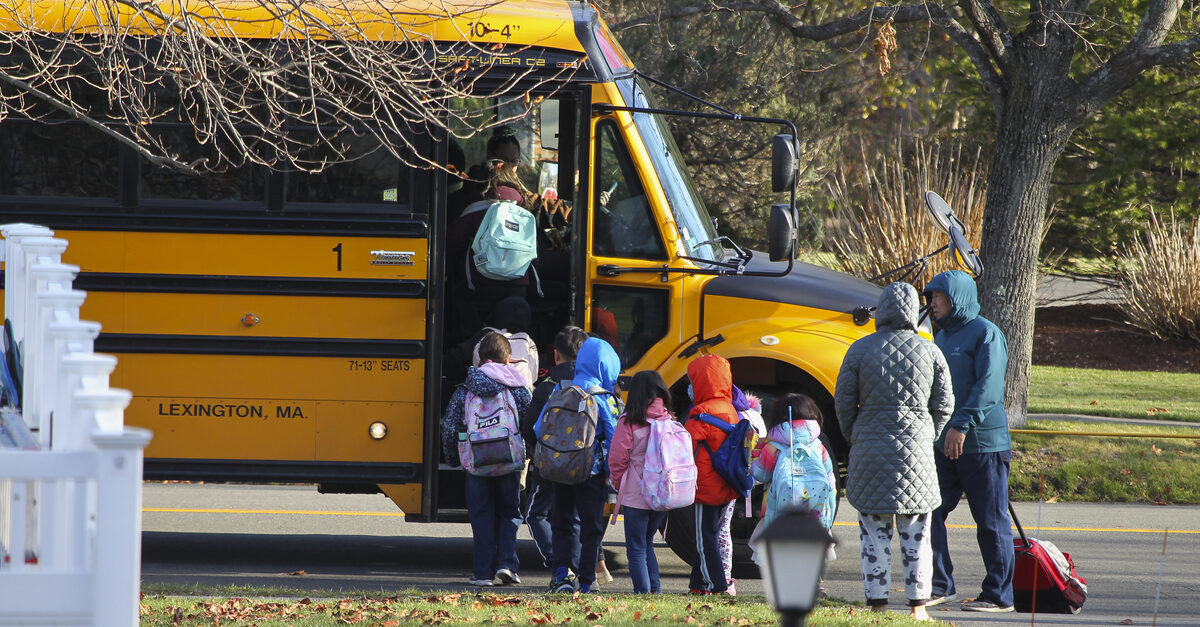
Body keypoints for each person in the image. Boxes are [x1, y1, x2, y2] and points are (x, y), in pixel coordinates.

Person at [835, 281, 954, 621]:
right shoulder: (930, 351)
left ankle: (878, 605)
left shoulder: (859, 350)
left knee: (873, 534)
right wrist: (929, 431)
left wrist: (855, 432)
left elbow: (843, 401)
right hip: (916, 452)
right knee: (917, 535)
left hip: (870, 449)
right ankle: (918, 607)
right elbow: (945, 403)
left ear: (882, 310)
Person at [923, 269, 1016, 613]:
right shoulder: (942, 337)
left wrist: (960, 426)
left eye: (938, 296)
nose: (932, 302)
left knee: (990, 522)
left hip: (982, 445)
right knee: (928, 512)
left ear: (956, 298)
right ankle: (939, 584)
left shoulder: (986, 333)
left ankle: (998, 595)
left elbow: (989, 388)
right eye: (931, 296)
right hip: (943, 444)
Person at [440, 331, 533, 587]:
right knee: (509, 513)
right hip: (509, 460)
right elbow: (529, 422)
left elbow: (450, 425)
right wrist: (529, 453)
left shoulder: (466, 388)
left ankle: (482, 573)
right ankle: (507, 565)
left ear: (480, 358)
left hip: (476, 463)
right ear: (508, 360)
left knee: (481, 516)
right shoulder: (516, 387)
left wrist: (453, 458)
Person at [533, 336, 621, 593]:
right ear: (607, 366)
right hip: (590, 475)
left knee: (561, 524)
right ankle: (585, 582)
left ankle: (561, 576)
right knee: (591, 528)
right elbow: (614, 441)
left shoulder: (559, 392)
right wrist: (610, 475)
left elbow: (540, 429)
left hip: (559, 472)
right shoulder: (604, 398)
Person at [521, 325, 589, 573]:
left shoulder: (548, 386)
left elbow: (528, 426)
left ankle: (556, 560)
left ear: (556, 354)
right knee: (577, 516)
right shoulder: (591, 385)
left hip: (549, 465)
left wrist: (537, 451)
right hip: (583, 464)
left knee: (536, 513)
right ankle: (578, 564)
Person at [607, 370, 676, 594]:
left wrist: (619, 485)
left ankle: (643, 593)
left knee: (635, 548)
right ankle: (654, 590)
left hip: (636, 493)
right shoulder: (668, 420)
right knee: (647, 543)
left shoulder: (630, 422)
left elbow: (617, 458)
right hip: (663, 494)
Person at [683, 353, 740, 595]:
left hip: (706, 487)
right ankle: (697, 585)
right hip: (726, 484)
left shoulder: (700, 413)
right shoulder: (730, 410)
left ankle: (717, 585)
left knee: (704, 538)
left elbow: (686, 446)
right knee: (710, 534)